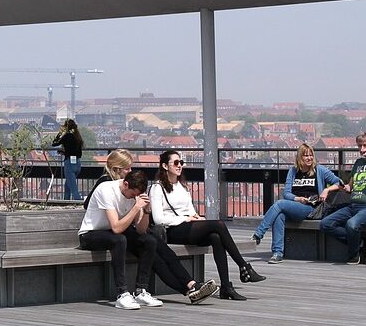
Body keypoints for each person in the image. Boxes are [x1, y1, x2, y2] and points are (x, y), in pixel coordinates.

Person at [78, 150, 217, 309]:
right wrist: (135, 207)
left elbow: (141, 230)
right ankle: (122, 293)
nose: (132, 197)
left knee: (150, 241)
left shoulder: (134, 191)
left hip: (116, 230)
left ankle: (142, 291)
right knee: (120, 239)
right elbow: (116, 228)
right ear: (125, 183)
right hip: (91, 234)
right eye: (127, 168)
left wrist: (146, 210)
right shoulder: (106, 188)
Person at [151, 150, 265, 301]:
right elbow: (158, 219)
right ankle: (244, 267)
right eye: (176, 163)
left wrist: (197, 218)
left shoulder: (182, 187)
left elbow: (190, 210)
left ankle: (226, 287)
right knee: (218, 224)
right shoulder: (157, 188)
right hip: (172, 230)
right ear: (165, 166)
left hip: (188, 227)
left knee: (216, 237)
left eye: (181, 163)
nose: (180, 166)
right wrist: (185, 219)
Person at [252, 143, 342, 263]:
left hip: (311, 208)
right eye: (306, 155)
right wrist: (297, 199)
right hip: (296, 205)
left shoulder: (319, 170)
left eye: (311, 155)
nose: (309, 158)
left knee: (279, 204)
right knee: (279, 216)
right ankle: (277, 253)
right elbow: (287, 193)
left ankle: (258, 234)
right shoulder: (293, 171)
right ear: (300, 157)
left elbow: (339, 182)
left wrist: (326, 190)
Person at [320, 131, 366, 265]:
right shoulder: (358, 163)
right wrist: (348, 188)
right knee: (325, 224)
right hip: (353, 205)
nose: (362, 149)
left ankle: (354, 255)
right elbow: (351, 184)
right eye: (359, 146)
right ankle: (358, 242)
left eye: (365, 145)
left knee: (351, 224)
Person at [51, 118, 84, 201]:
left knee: (73, 188)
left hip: (69, 163)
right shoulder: (78, 137)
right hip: (77, 163)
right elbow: (77, 153)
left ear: (66, 127)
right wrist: (65, 152)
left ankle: (78, 201)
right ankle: (66, 200)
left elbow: (54, 143)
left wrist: (60, 133)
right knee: (68, 184)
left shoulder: (67, 136)